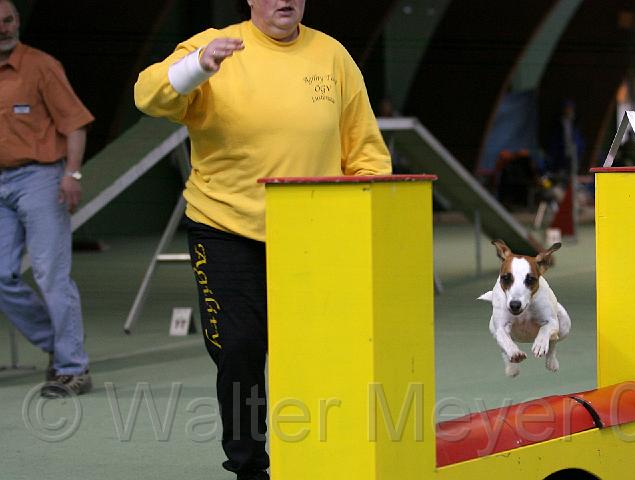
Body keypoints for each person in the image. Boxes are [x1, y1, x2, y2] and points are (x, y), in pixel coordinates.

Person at [134, 1, 391, 479]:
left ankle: (326, 460)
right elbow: (149, 97)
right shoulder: (213, 46)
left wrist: (368, 214)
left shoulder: (332, 55)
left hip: (313, 235)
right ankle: (249, 468)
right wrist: (197, 67)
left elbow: (365, 152)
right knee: (240, 349)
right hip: (225, 228)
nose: (284, 0)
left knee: (322, 354)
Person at [0, 0, 93, 398]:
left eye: (8, 20)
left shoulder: (41, 65)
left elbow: (75, 123)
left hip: (40, 178)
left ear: (17, 21)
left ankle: (73, 369)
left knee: (51, 275)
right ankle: (59, 343)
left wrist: (72, 174)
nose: (3, 28)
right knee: (1, 276)